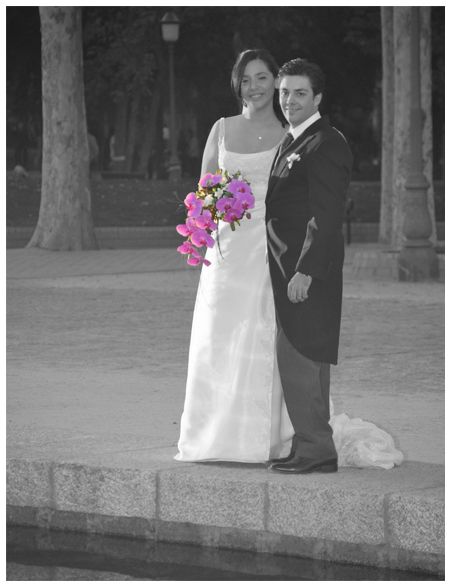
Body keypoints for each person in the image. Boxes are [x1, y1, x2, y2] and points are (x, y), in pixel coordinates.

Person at [175, 50, 403, 470]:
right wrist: (210, 214)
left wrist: (306, 268)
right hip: (231, 250)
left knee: (281, 344)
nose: (256, 88)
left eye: (264, 78)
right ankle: (224, 433)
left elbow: (322, 211)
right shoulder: (234, 131)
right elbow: (206, 188)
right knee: (226, 339)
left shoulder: (301, 137)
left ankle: (289, 439)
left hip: (276, 256)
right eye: (247, 80)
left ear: (315, 97)